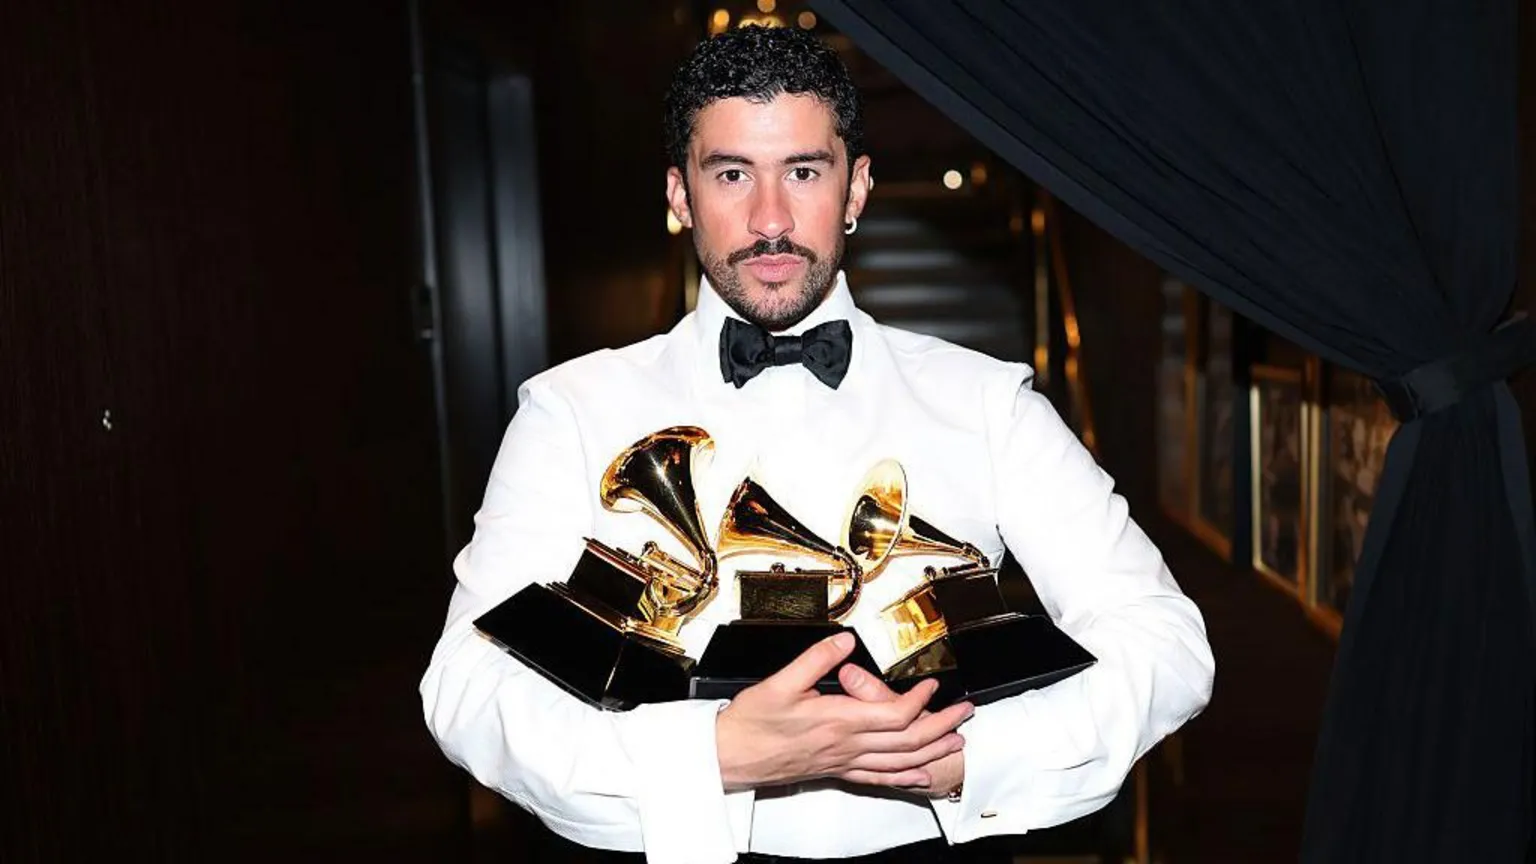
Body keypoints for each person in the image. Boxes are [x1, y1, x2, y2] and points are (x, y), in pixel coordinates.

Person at [420, 24, 1213, 864]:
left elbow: (1165, 641)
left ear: (857, 187)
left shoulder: (988, 404)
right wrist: (711, 756)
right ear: (680, 194)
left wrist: (974, 758)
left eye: (803, 172)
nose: (770, 220)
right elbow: (465, 686)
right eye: (731, 174)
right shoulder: (571, 411)